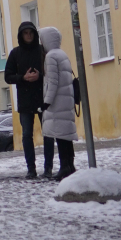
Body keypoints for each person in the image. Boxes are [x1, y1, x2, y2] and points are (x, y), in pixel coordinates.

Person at [3, 20, 47, 178]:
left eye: (31, 33)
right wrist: (23, 77)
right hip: (25, 99)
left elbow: (51, 72)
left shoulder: (42, 51)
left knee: (48, 133)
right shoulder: (15, 53)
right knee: (27, 134)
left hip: (43, 98)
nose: (28, 36)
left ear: (34, 34)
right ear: (21, 35)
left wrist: (39, 76)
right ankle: (31, 168)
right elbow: (7, 76)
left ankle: (48, 167)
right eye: (25, 33)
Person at [39, 26, 78, 180]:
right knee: (66, 137)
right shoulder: (62, 54)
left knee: (60, 137)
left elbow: (52, 82)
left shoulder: (50, 57)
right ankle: (70, 165)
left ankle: (64, 167)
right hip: (66, 101)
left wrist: (46, 103)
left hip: (57, 103)